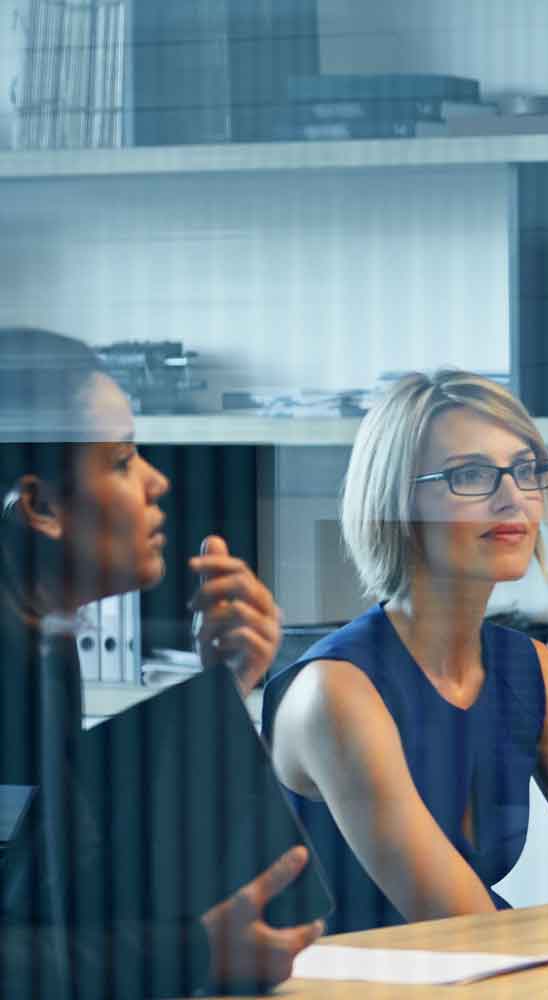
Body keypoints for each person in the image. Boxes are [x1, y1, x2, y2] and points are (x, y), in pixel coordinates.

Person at [262, 370, 548, 933]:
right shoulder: (335, 693)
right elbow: (463, 928)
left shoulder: (535, 674)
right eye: (472, 475)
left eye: (527, 470)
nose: (514, 498)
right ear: (398, 502)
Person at [0, 327, 317, 995]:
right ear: (40, 506)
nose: (157, 481)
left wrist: (220, 690)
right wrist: (194, 953)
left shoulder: (44, 647)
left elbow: (68, 883)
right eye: (120, 461)